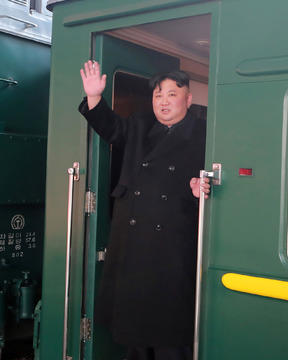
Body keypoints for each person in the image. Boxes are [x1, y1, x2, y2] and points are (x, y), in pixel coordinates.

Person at [79, 60, 205, 360]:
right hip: (133, 241)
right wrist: (95, 97)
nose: (163, 101)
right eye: (158, 95)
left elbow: (218, 176)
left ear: (188, 99)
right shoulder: (139, 124)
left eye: (172, 94)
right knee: (135, 322)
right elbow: (111, 128)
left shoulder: (205, 133)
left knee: (170, 327)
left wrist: (203, 188)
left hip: (174, 242)